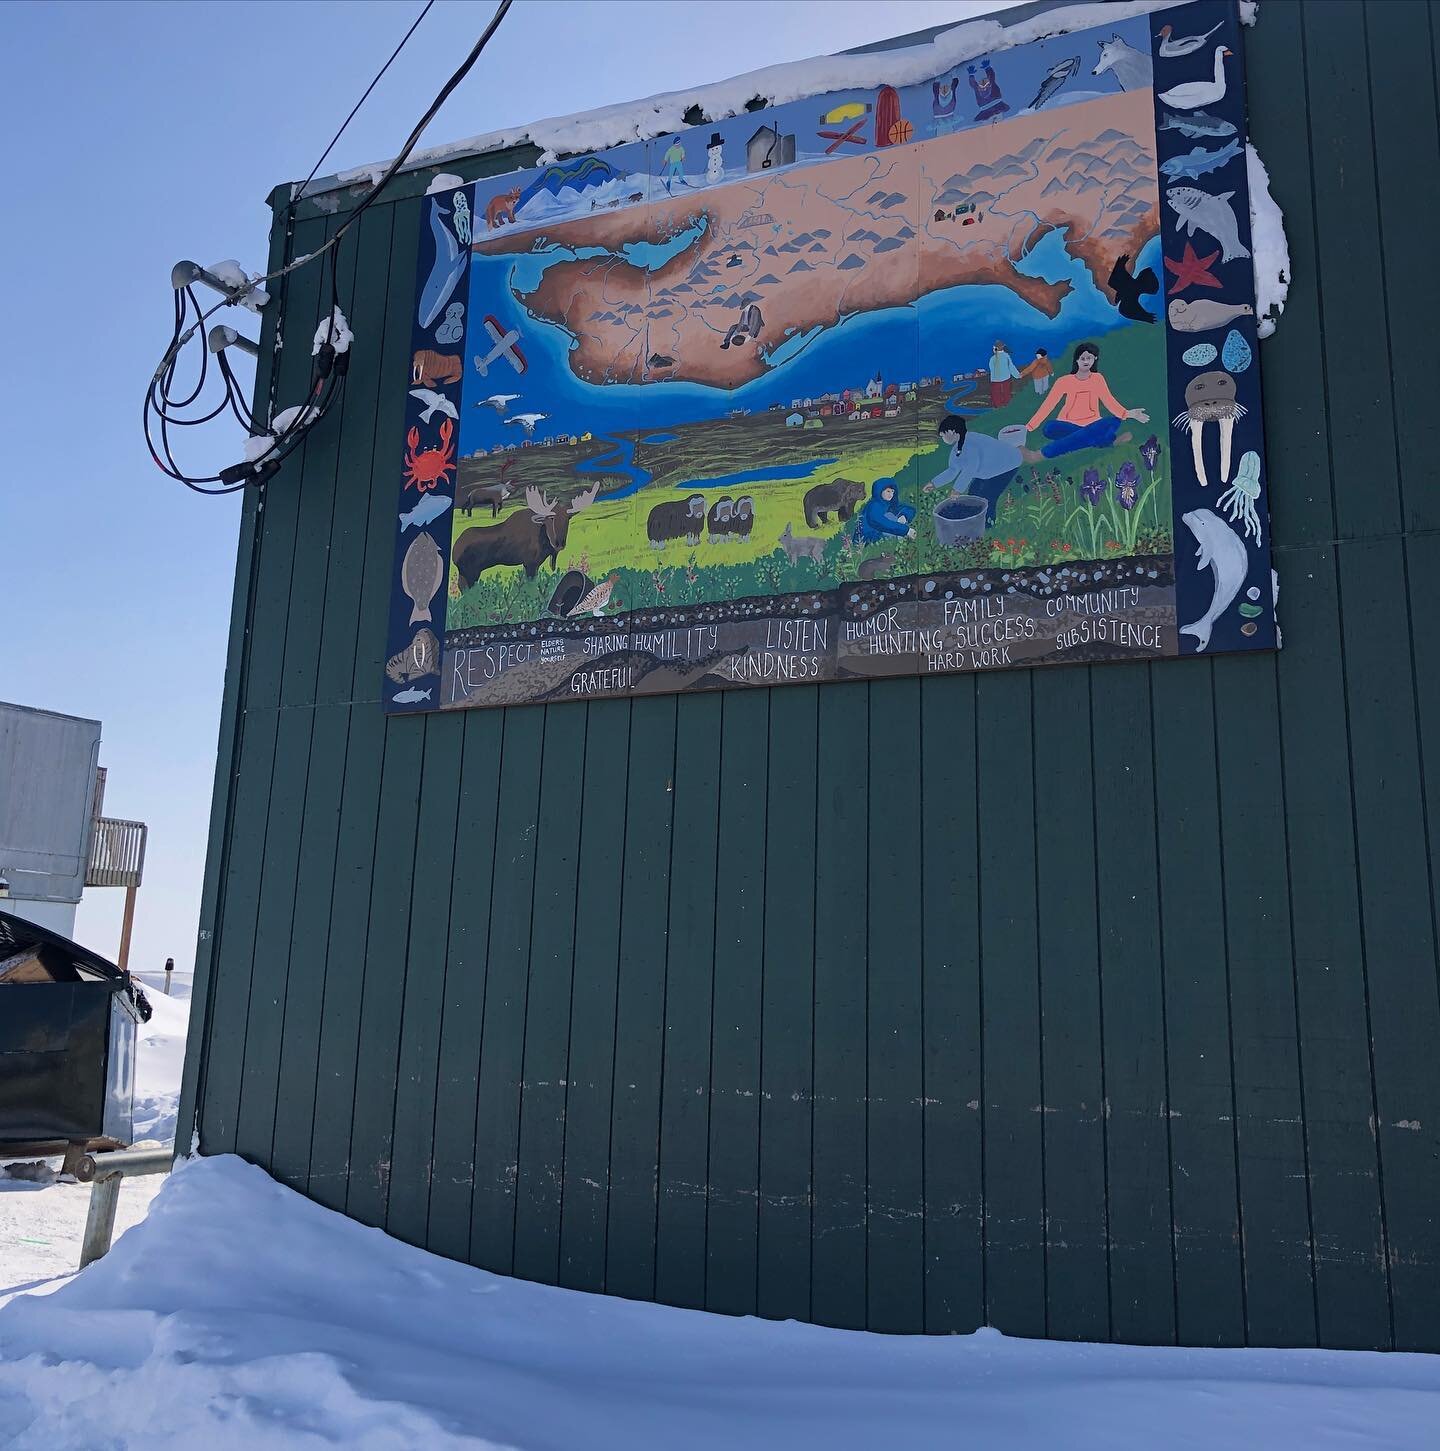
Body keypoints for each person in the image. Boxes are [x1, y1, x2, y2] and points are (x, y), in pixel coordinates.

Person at [1023, 341, 1149, 459]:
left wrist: (1129, 414)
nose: (1086, 361)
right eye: (1082, 358)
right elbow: (1048, 405)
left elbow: (1109, 401)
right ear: (1077, 360)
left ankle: (1038, 455)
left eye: (1089, 358)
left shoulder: (1098, 379)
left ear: (1095, 359)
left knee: (1113, 421)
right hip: (1067, 424)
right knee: (1049, 428)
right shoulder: (1064, 381)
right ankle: (1105, 441)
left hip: (1093, 423)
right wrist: (1029, 426)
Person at [922, 414, 1022, 524]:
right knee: (974, 492)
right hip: (988, 470)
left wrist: (957, 490)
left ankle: (988, 523)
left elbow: (969, 470)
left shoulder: (971, 443)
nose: (943, 439)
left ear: (952, 431)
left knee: (988, 495)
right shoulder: (957, 449)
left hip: (1006, 466)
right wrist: (934, 483)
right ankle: (976, 520)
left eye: (943, 435)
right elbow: (952, 470)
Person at [853, 478, 916, 544]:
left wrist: (904, 516)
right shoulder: (874, 505)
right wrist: (906, 530)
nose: (891, 494)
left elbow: (909, 509)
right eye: (888, 491)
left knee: (891, 515)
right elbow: (880, 522)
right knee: (889, 516)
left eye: (892, 491)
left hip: (879, 540)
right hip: (867, 541)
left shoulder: (888, 503)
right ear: (879, 491)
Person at [987, 339, 1022, 406]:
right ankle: (1006, 407)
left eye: (993, 348)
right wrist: (1018, 375)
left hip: (995, 381)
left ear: (995, 348)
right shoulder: (1006, 356)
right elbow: (1011, 367)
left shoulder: (992, 358)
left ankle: (998, 408)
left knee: (996, 396)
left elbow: (991, 369)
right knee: (1006, 394)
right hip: (1006, 379)